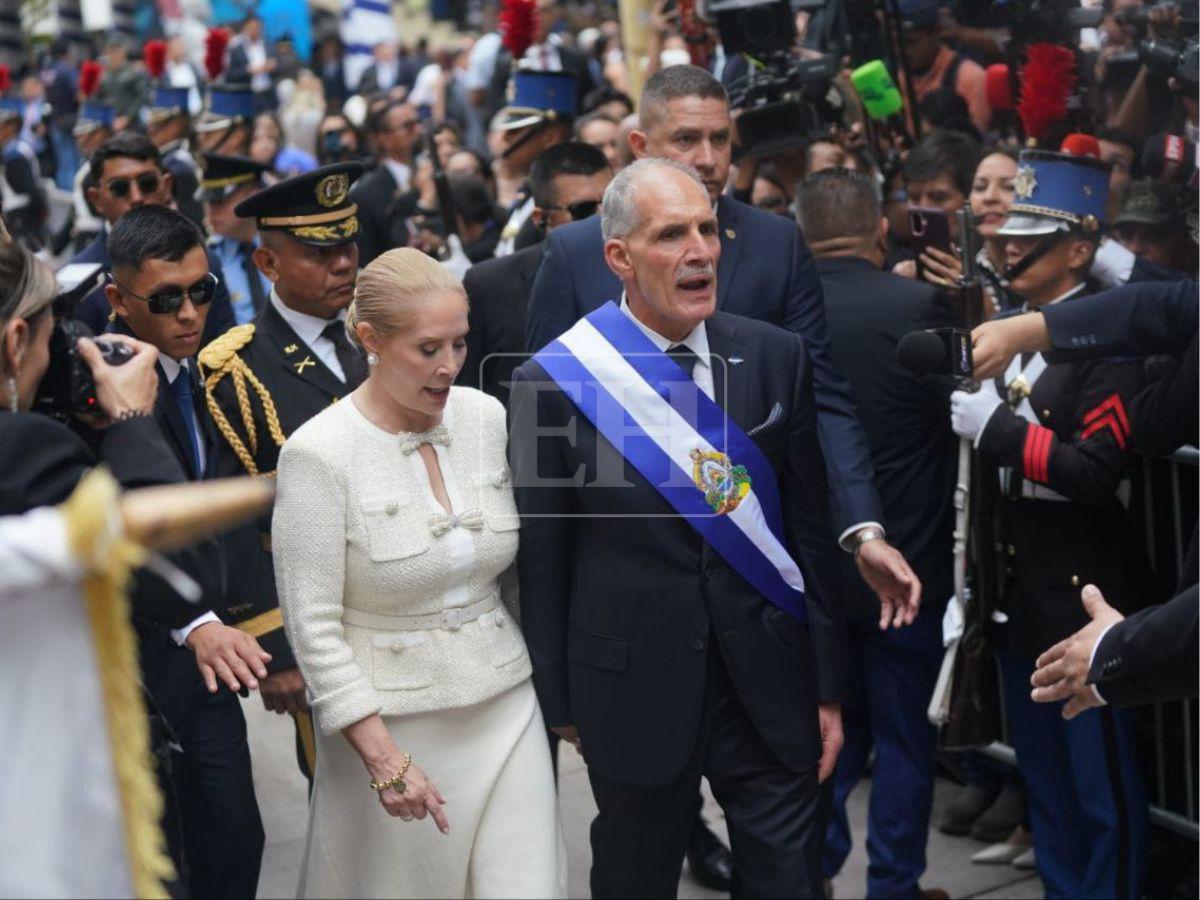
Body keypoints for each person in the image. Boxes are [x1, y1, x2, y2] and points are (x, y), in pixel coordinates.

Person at [510, 158, 845, 897]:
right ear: (619, 259)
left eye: (706, 228)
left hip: (768, 675)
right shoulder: (550, 382)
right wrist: (559, 700)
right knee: (635, 877)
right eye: (671, 235)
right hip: (632, 683)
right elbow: (545, 556)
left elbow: (809, 532)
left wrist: (827, 685)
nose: (700, 250)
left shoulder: (774, 355)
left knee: (791, 879)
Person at [528, 65, 920, 619]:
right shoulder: (573, 252)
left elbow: (824, 401)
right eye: (687, 139)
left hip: (758, 565)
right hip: (636, 589)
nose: (708, 159)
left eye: (721, 140)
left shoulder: (776, 242)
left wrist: (862, 528)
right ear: (640, 145)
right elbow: (547, 430)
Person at [272, 247, 566, 898]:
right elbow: (312, 625)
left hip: (505, 702)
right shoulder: (318, 453)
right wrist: (382, 758)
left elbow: (517, 578)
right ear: (371, 340)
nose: (449, 366)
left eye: (460, 344)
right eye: (428, 348)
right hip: (393, 725)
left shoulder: (485, 416)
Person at [948, 150, 1148, 899]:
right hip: (1017, 580)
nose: (1006, 246)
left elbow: (1096, 472)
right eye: (1006, 232)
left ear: (1077, 249)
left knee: (1099, 778)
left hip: (1080, 584)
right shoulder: (1001, 326)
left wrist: (1000, 431)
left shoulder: (1107, 341)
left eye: (1027, 234)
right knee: (1045, 773)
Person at [797, 168, 957, 899]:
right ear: (880, 230)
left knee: (828, 732)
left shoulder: (778, 313)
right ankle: (893, 885)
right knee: (902, 740)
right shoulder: (920, 303)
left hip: (815, 572)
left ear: (800, 233)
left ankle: (814, 871)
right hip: (909, 564)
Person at [104, 205, 267, 899]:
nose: (189, 313)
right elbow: (118, 527)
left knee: (233, 841)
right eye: (165, 299)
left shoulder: (198, 370)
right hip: (138, 664)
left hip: (209, 656)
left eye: (201, 291)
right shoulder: (99, 388)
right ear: (119, 301)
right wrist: (194, 623)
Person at [199, 163, 369, 783]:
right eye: (319, 252)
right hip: (322, 620)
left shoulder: (385, 330)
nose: (343, 264)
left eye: (348, 244)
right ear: (268, 265)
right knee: (354, 798)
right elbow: (237, 514)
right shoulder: (237, 373)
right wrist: (275, 649)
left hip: (417, 607)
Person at [460, 141, 611, 402]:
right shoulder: (489, 284)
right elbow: (469, 392)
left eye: (611, 205)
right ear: (541, 218)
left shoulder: (642, 275)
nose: (602, 220)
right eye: (584, 210)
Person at [66, 133, 234, 344]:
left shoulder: (205, 263)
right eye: (120, 188)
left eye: (147, 183)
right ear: (96, 199)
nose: (136, 197)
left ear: (166, 187)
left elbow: (223, 349)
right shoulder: (78, 286)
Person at [492, 70, 577, 256]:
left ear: (550, 137)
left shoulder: (565, 199)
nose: (505, 138)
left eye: (515, 131)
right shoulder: (533, 191)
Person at [895, 0, 991, 133]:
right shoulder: (897, 78)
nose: (900, 50)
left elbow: (974, 144)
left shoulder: (970, 77)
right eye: (895, 42)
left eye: (910, 42)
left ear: (936, 33)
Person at [200, 152, 273, 325]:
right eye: (208, 201)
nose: (211, 210)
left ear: (252, 194)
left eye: (219, 200)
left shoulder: (284, 247)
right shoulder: (207, 259)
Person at [350, 101, 423, 266]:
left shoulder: (437, 173)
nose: (418, 130)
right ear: (385, 139)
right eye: (408, 126)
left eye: (419, 122)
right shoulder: (365, 194)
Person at [146, 82, 204, 227]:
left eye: (158, 124)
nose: (150, 130)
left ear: (176, 124)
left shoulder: (176, 166)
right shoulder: (171, 158)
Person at [0, 95, 48, 249]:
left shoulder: (14, 155)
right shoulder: (11, 151)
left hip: (23, 219)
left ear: (11, 126)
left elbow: (29, 190)